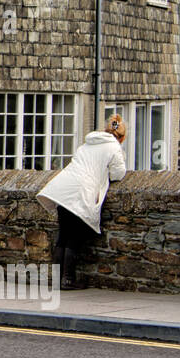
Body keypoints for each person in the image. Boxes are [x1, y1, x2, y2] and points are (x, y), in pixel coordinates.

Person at [36, 114, 128, 290]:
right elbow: (118, 173)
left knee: (63, 235)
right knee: (75, 237)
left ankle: (56, 281)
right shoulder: (114, 148)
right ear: (122, 137)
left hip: (64, 187)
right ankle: (68, 279)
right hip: (81, 191)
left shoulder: (88, 143)